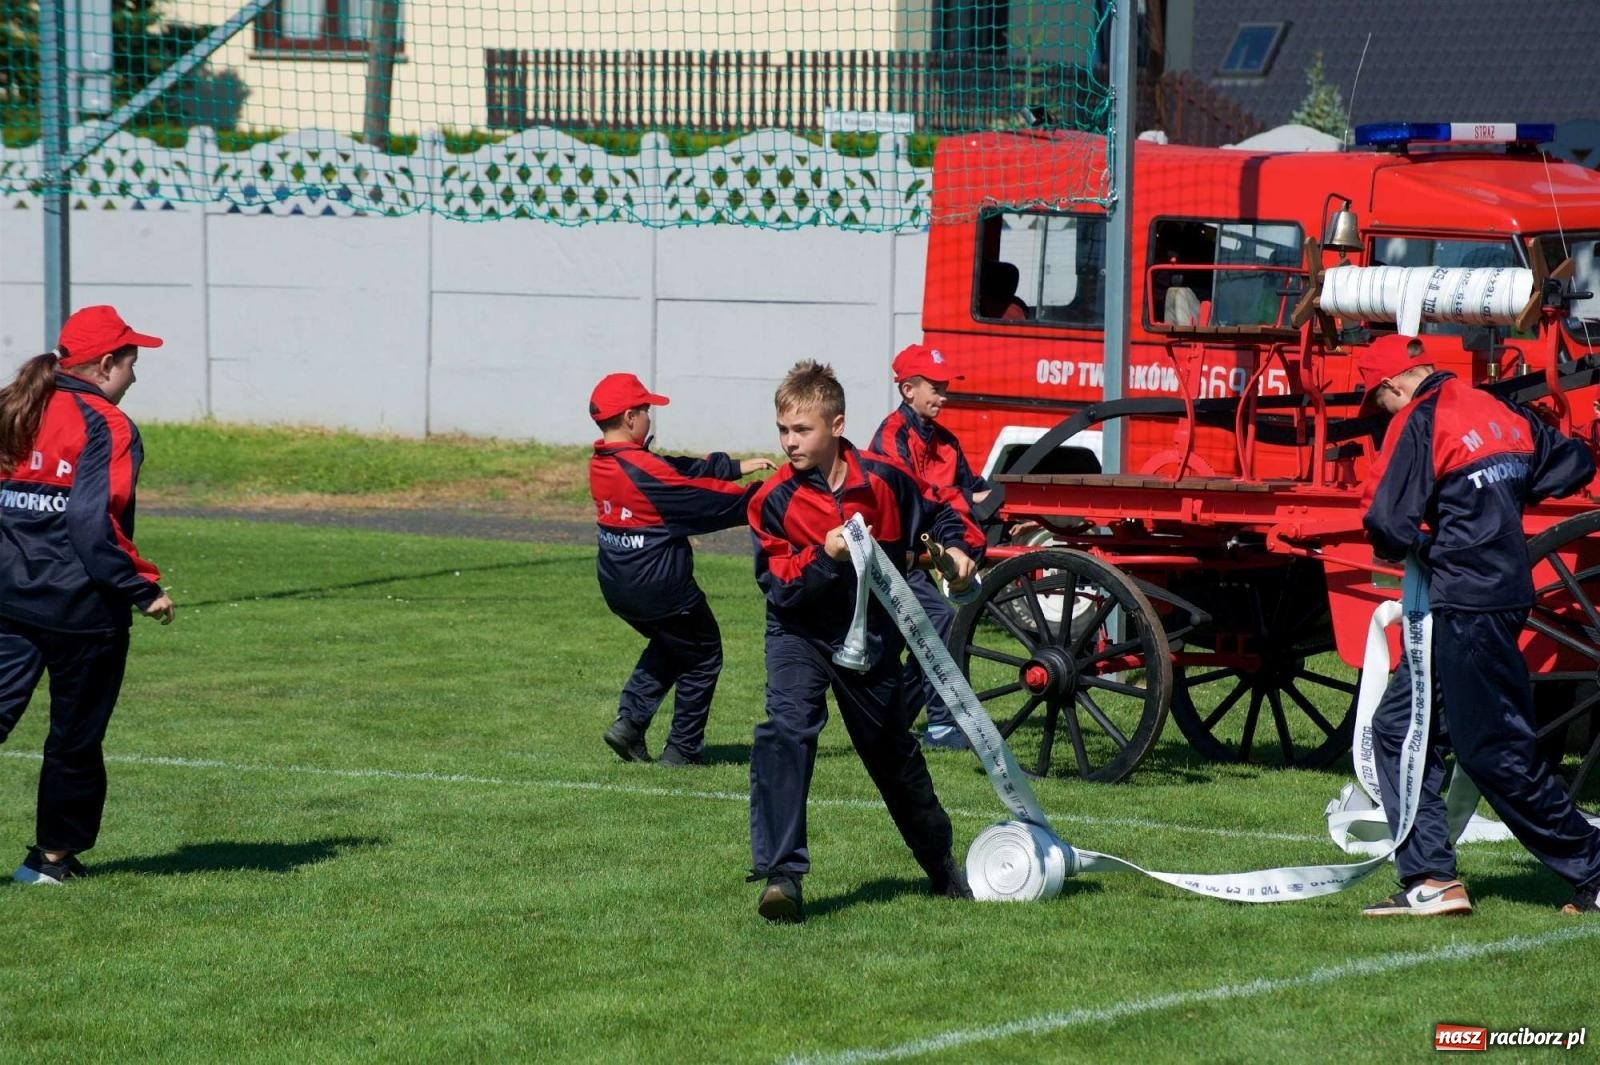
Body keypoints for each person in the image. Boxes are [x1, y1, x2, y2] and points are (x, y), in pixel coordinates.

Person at [1358, 334, 1600, 917]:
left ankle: (1593, 865)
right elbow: (1572, 464)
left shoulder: (1418, 421)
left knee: (1493, 752)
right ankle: (1431, 879)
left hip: (1464, 603)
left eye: (1377, 403)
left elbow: (1388, 525)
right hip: (1504, 591)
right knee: (1398, 731)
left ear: (1392, 385)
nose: (1380, 415)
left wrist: (1424, 538)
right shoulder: (1498, 409)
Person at [747, 359, 982, 922]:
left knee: (892, 754)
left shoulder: (884, 478)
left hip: (870, 637)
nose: (789, 442)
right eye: (783, 429)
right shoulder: (771, 498)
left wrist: (954, 549)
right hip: (799, 632)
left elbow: (943, 510)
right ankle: (783, 878)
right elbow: (778, 585)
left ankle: (939, 863)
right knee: (786, 730)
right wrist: (823, 558)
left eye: (801, 430)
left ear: (837, 425)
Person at [0, 306, 175, 886]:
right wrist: (141, 589)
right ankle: (49, 863)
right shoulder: (108, 424)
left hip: (7, 600)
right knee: (74, 739)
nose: (134, 376)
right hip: (82, 610)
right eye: (131, 362)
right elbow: (91, 523)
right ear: (105, 364)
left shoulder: (16, 407)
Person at [589, 372, 774, 767]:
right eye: (646, 411)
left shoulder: (604, 462)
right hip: (658, 586)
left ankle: (629, 725)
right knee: (703, 654)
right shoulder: (642, 471)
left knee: (673, 645)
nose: (650, 419)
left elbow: (673, 470)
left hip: (618, 583)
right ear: (630, 417)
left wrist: (733, 466)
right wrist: (768, 494)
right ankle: (682, 751)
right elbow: (701, 499)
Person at [868, 343, 991, 751]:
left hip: (928, 557)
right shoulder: (891, 437)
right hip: (895, 560)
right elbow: (915, 495)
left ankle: (892, 719)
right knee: (941, 621)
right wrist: (957, 502)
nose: (944, 394)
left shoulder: (946, 441)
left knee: (926, 630)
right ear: (908, 391)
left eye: (945, 386)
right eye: (935, 387)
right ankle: (940, 726)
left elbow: (970, 490)